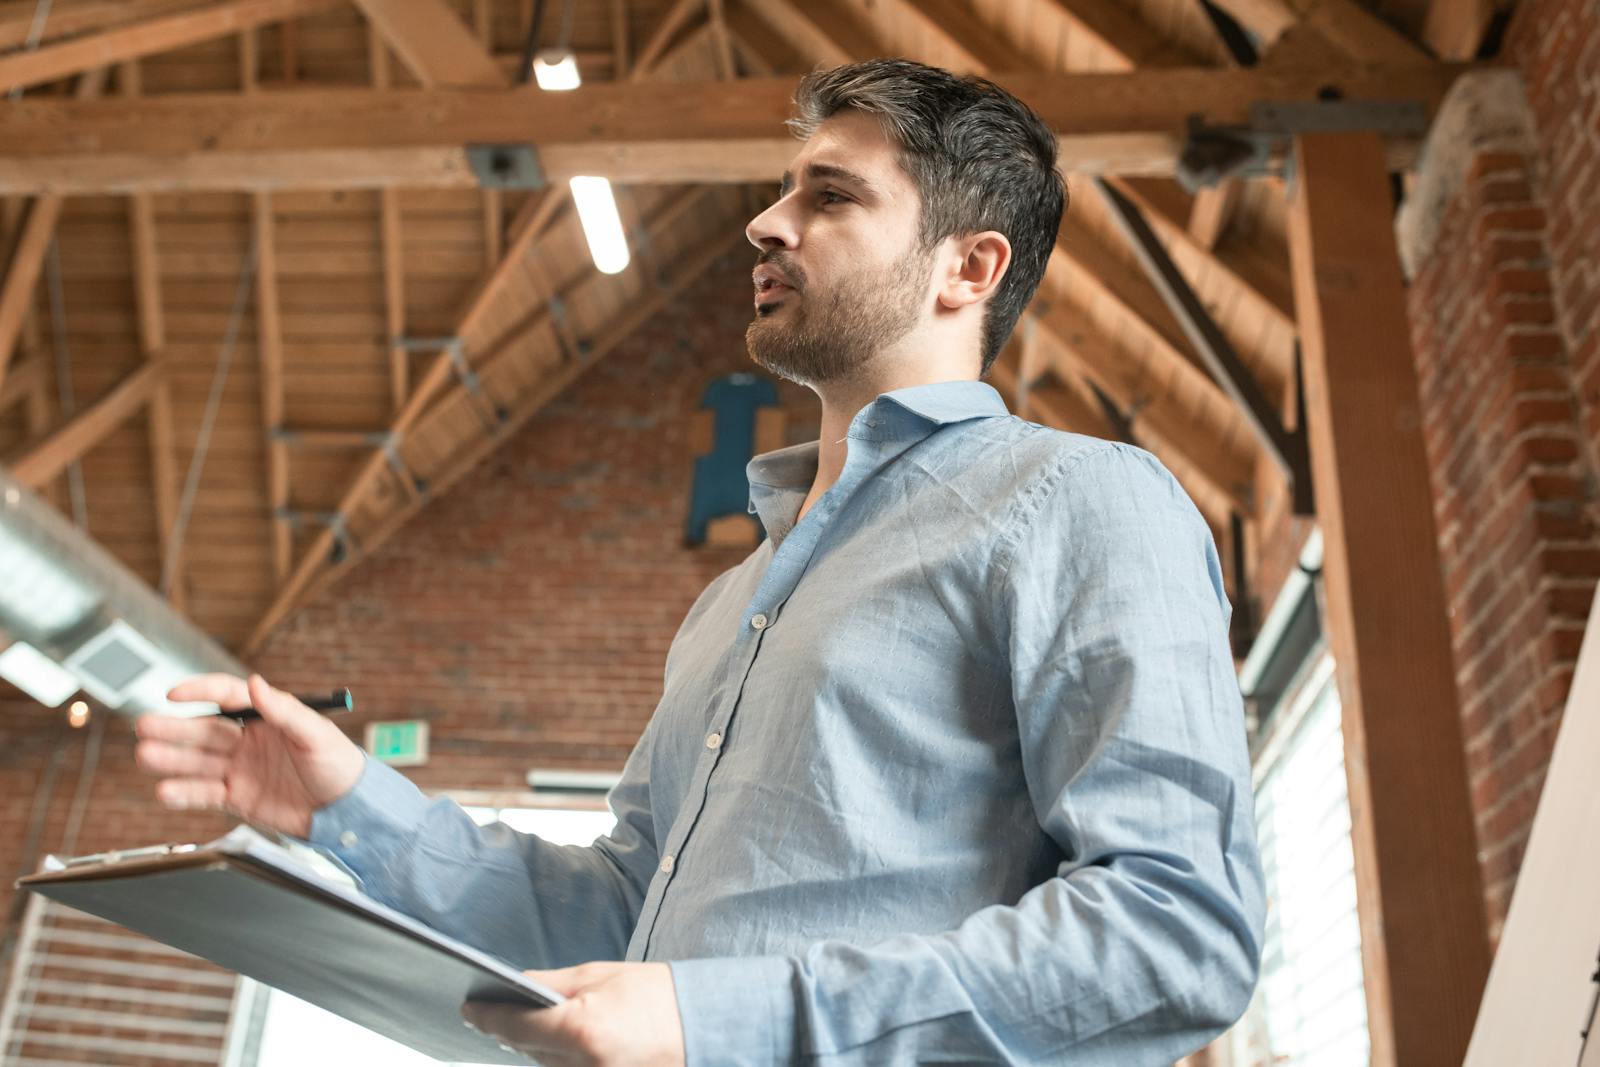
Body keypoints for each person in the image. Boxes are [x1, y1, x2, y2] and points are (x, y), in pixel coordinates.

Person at [136, 59, 1265, 1067]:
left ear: (967, 267)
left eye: (829, 195)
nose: (765, 225)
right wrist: (351, 806)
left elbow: (1175, 933)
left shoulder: (1079, 500)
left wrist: (717, 1020)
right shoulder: (734, 601)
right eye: (783, 192)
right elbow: (626, 923)